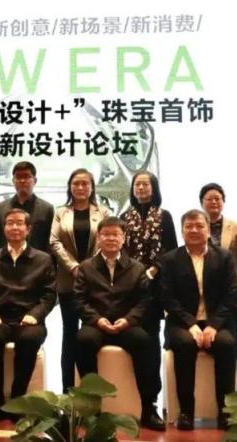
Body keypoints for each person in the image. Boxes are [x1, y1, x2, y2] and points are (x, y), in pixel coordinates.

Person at [74, 217, 164, 431]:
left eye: (116, 234)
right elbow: (78, 300)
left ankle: (149, 408)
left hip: (127, 325)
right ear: (98, 238)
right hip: (96, 324)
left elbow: (144, 301)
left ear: (124, 238)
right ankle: (91, 410)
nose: (111, 238)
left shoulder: (137, 268)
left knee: (146, 342)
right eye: (106, 234)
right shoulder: (86, 267)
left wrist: (129, 320)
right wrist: (97, 319)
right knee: (83, 341)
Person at [160, 209, 237, 430]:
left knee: (226, 343)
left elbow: (231, 295)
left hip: (216, 322)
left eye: (199, 226)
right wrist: (191, 324)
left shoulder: (224, 257)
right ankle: (186, 412)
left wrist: (213, 325)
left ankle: (226, 412)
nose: (194, 230)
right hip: (181, 322)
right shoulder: (170, 259)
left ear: (208, 229)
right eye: (189, 226)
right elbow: (167, 298)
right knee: (185, 343)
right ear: (182, 231)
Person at [0, 208, 56, 423]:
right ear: (4, 228)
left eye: (19, 223)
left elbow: (50, 295)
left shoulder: (43, 259)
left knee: (29, 340)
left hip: (29, 319)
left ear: (28, 229)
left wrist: (35, 314)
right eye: (10, 223)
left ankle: (17, 400)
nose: (14, 227)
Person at [119, 171, 177, 416]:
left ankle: (150, 401)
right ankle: (130, 399)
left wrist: (154, 269)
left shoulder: (164, 216)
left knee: (151, 342)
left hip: (155, 288)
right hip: (130, 289)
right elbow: (120, 252)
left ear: (154, 188)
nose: (141, 188)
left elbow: (171, 250)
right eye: (137, 184)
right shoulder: (124, 217)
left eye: (145, 184)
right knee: (135, 340)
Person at [50, 168, 111, 393]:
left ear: (92, 187)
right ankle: (67, 388)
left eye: (85, 183)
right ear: (70, 187)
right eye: (76, 183)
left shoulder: (103, 212)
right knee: (69, 334)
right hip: (68, 280)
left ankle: (89, 389)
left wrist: (87, 268)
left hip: (96, 281)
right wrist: (74, 266)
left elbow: (106, 240)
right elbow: (54, 241)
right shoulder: (61, 212)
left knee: (89, 333)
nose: (81, 187)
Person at [199, 182, 237, 364]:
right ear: (202, 202)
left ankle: (233, 377)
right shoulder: (196, 226)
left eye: (218, 198)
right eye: (209, 199)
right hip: (204, 293)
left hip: (232, 291)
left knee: (233, 340)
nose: (214, 202)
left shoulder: (235, 227)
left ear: (223, 202)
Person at [0, 161, 55, 253]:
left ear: (35, 180)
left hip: (37, 260)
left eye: (26, 176)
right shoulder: (1, 208)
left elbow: (50, 242)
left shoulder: (46, 209)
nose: (22, 180)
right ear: (13, 181)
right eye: (18, 177)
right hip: (6, 259)